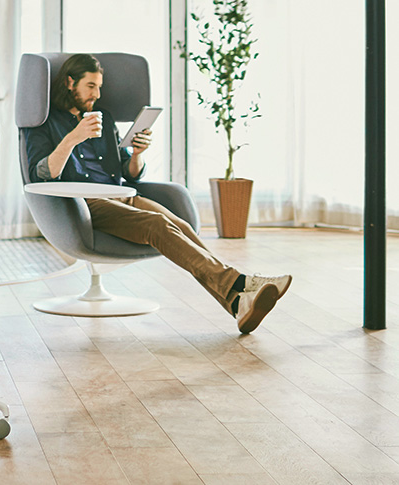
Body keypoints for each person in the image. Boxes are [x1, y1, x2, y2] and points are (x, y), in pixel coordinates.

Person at [22, 53, 291, 333]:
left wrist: (137, 153)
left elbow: (130, 172)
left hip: (122, 193)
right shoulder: (45, 122)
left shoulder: (105, 118)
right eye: (90, 86)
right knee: (157, 225)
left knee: (181, 226)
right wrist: (74, 137)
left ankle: (237, 303)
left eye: (99, 87)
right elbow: (42, 173)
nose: (96, 94)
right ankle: (239, 282)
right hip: (87, 204)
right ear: (69, 82)